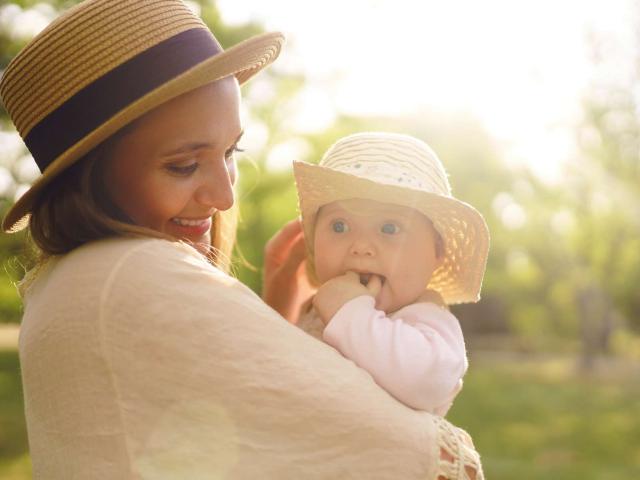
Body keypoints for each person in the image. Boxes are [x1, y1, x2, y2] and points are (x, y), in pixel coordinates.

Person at [0, 1, 483, 478]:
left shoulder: (65, 284)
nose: (226, 197)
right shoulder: (132, 274)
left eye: (231, 151)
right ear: (90, 177)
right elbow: (427, 457)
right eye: (184, 165)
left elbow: (247, 430)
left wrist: (272, 320)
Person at [291, 132, 490, 417]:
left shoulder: (429, 320)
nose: (360, 246)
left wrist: (349, 313)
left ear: (436, 253)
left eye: (389, 228)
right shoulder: (314, 311)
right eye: (339, 226)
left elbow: (425, 381)